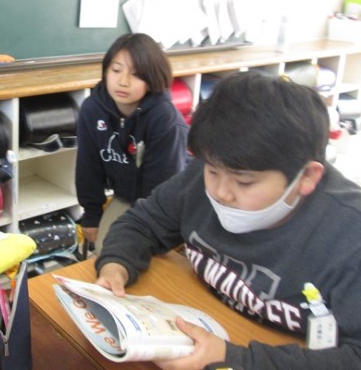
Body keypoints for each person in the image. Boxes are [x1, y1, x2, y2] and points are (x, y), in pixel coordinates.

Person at [95, 71, 361, 369]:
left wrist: (234, 359)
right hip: (203, 320)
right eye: (212, 171)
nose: (220, 192)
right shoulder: (214, 169)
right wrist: (116, 265)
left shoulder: (350, 236)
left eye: (244, 183)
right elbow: (143, 222)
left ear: (307, 177)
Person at [76, 33, 189, 252]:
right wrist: (92, 215)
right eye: (116, 70)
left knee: (145, 256)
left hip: (166, 205)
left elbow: (163, 188)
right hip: (125, 197)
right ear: (106, 71)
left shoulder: (164, 119)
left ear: (152, 79)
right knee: (103, 249)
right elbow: (88, 167)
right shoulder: (92, 108)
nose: (123, 81)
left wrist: (138, 233)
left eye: (136, 74)